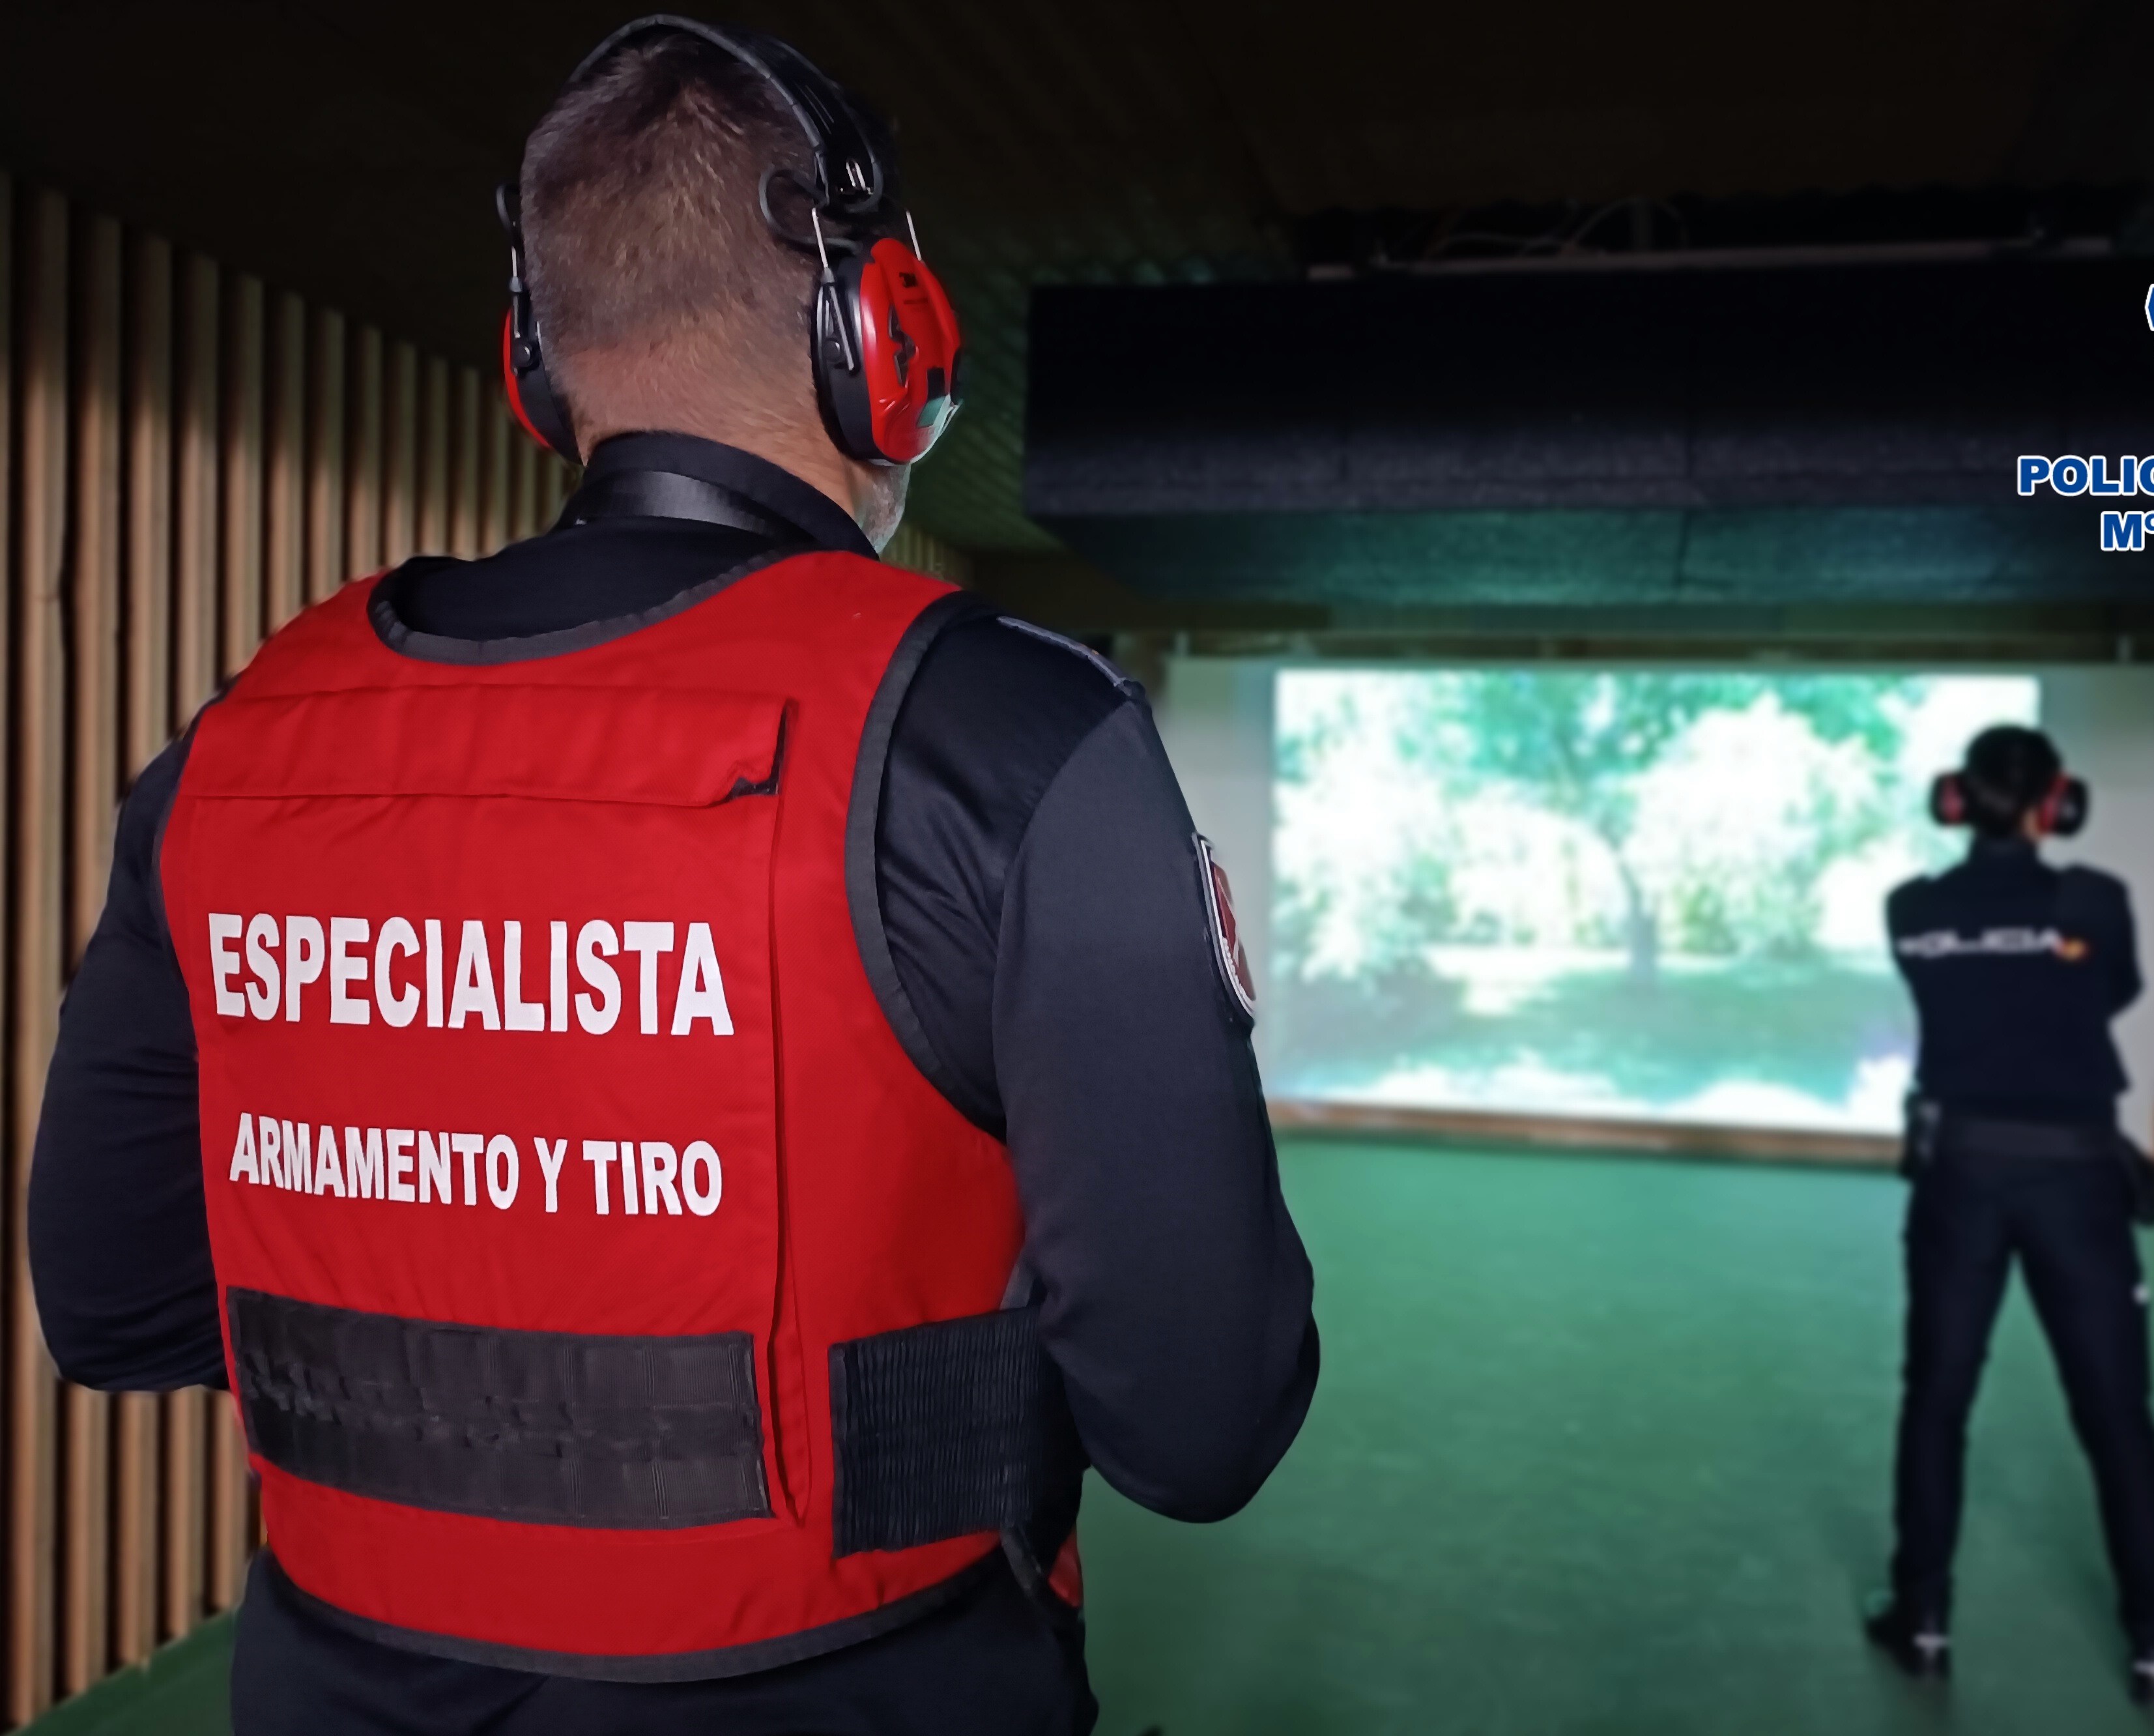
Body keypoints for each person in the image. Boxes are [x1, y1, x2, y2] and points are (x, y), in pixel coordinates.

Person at [28, 18, 1317, 1735]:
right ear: (884, 343)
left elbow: (117, 1308)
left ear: (535, 358)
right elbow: (1202, 1420)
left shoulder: (242, 744)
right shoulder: (1010, 730)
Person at [1863, 725, 2154, 1706]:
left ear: (1954, 800)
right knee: (2118, 1417)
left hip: (1958, 1178)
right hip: (2076, 1184)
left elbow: (1962, 995)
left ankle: (1922, 1620)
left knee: (1937, 1401)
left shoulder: (1912, 908)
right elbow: (2109, 993)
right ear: (2058, 804)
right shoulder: (2095, 902)